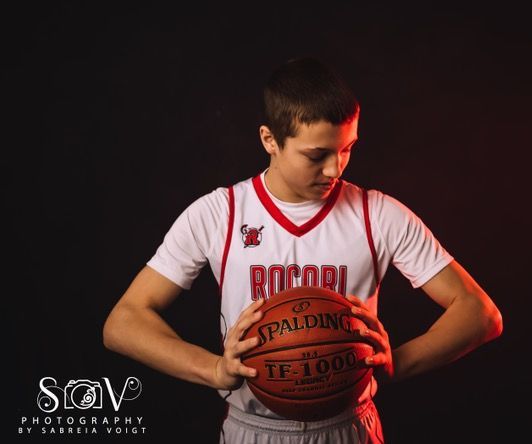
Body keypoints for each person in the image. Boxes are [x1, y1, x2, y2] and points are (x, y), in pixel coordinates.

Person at [103, 57, 503, 443]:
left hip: (350, 428)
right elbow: (123, 323)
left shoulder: (377, 214)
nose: (335, 168)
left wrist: (397, 362)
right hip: (252, 430)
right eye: (317, 155)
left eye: (347, 149)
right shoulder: (218, 213)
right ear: (269, 140)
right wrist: (213, 369)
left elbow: (480, 314)